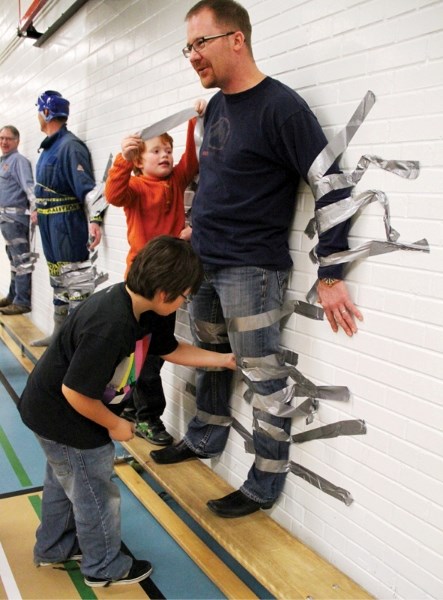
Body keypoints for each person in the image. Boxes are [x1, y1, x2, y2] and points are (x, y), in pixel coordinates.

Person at [151, 0, 363, 518]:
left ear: (236, 40)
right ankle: (205, 437)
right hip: (202, 263)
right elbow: (215, 178)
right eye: (188, 47)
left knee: (264, 377)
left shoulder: (282, 108)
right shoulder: (219, 107)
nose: (192, 56)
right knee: (213, 354)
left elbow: (333, 188)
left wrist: (332, 270)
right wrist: (192, 225)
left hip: (251, 270)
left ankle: (264, 482)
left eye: (199, 44)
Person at [18, 235, 236, 587]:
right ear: (165, 293)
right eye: (184, 296)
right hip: (61, 414)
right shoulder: (111, 323)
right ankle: (104, 567)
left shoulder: (151, 310)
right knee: (94, 492)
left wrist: (223, 359)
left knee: (64, 479)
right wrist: (116, 424)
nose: (186, 301)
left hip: (60, 410)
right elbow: (74, 391)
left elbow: (168, 348)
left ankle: (53, 548)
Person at [105, 101, 205, 445]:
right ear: (139, 161)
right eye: (155, 151)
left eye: (168, 150)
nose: (165, 156)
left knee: (154, 351)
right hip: (144, 284)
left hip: (169, 282)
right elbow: (113, 193)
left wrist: (195, 121)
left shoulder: (176, 180)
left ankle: (134, 407)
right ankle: (147, 417)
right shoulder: (135, 188)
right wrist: (122, 158)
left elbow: (191, 161)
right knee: (143, 355)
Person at [31, 90, 104, 346]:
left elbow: (88, 189)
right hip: (50, 225)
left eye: (39, 111)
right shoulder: (49, 148)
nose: (38, 116)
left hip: (66, 224)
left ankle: (73, 346)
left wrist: (96, 220)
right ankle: (59, 336)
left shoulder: (70, 147)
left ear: (47, 112)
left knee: (75, 282)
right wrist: (38, 207)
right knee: (58, 280)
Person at [0, 125, 35, 315]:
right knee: (13, 258)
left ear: (17, 141)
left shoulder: (18, 161)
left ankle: (22, 301)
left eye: (8, 139)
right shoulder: (3, 161)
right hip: (5, 219)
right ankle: (13, 296)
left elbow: (29, 186)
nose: (4, 142)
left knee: (21, 259)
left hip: (15, 219)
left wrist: (36, 208)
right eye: (1, 138)